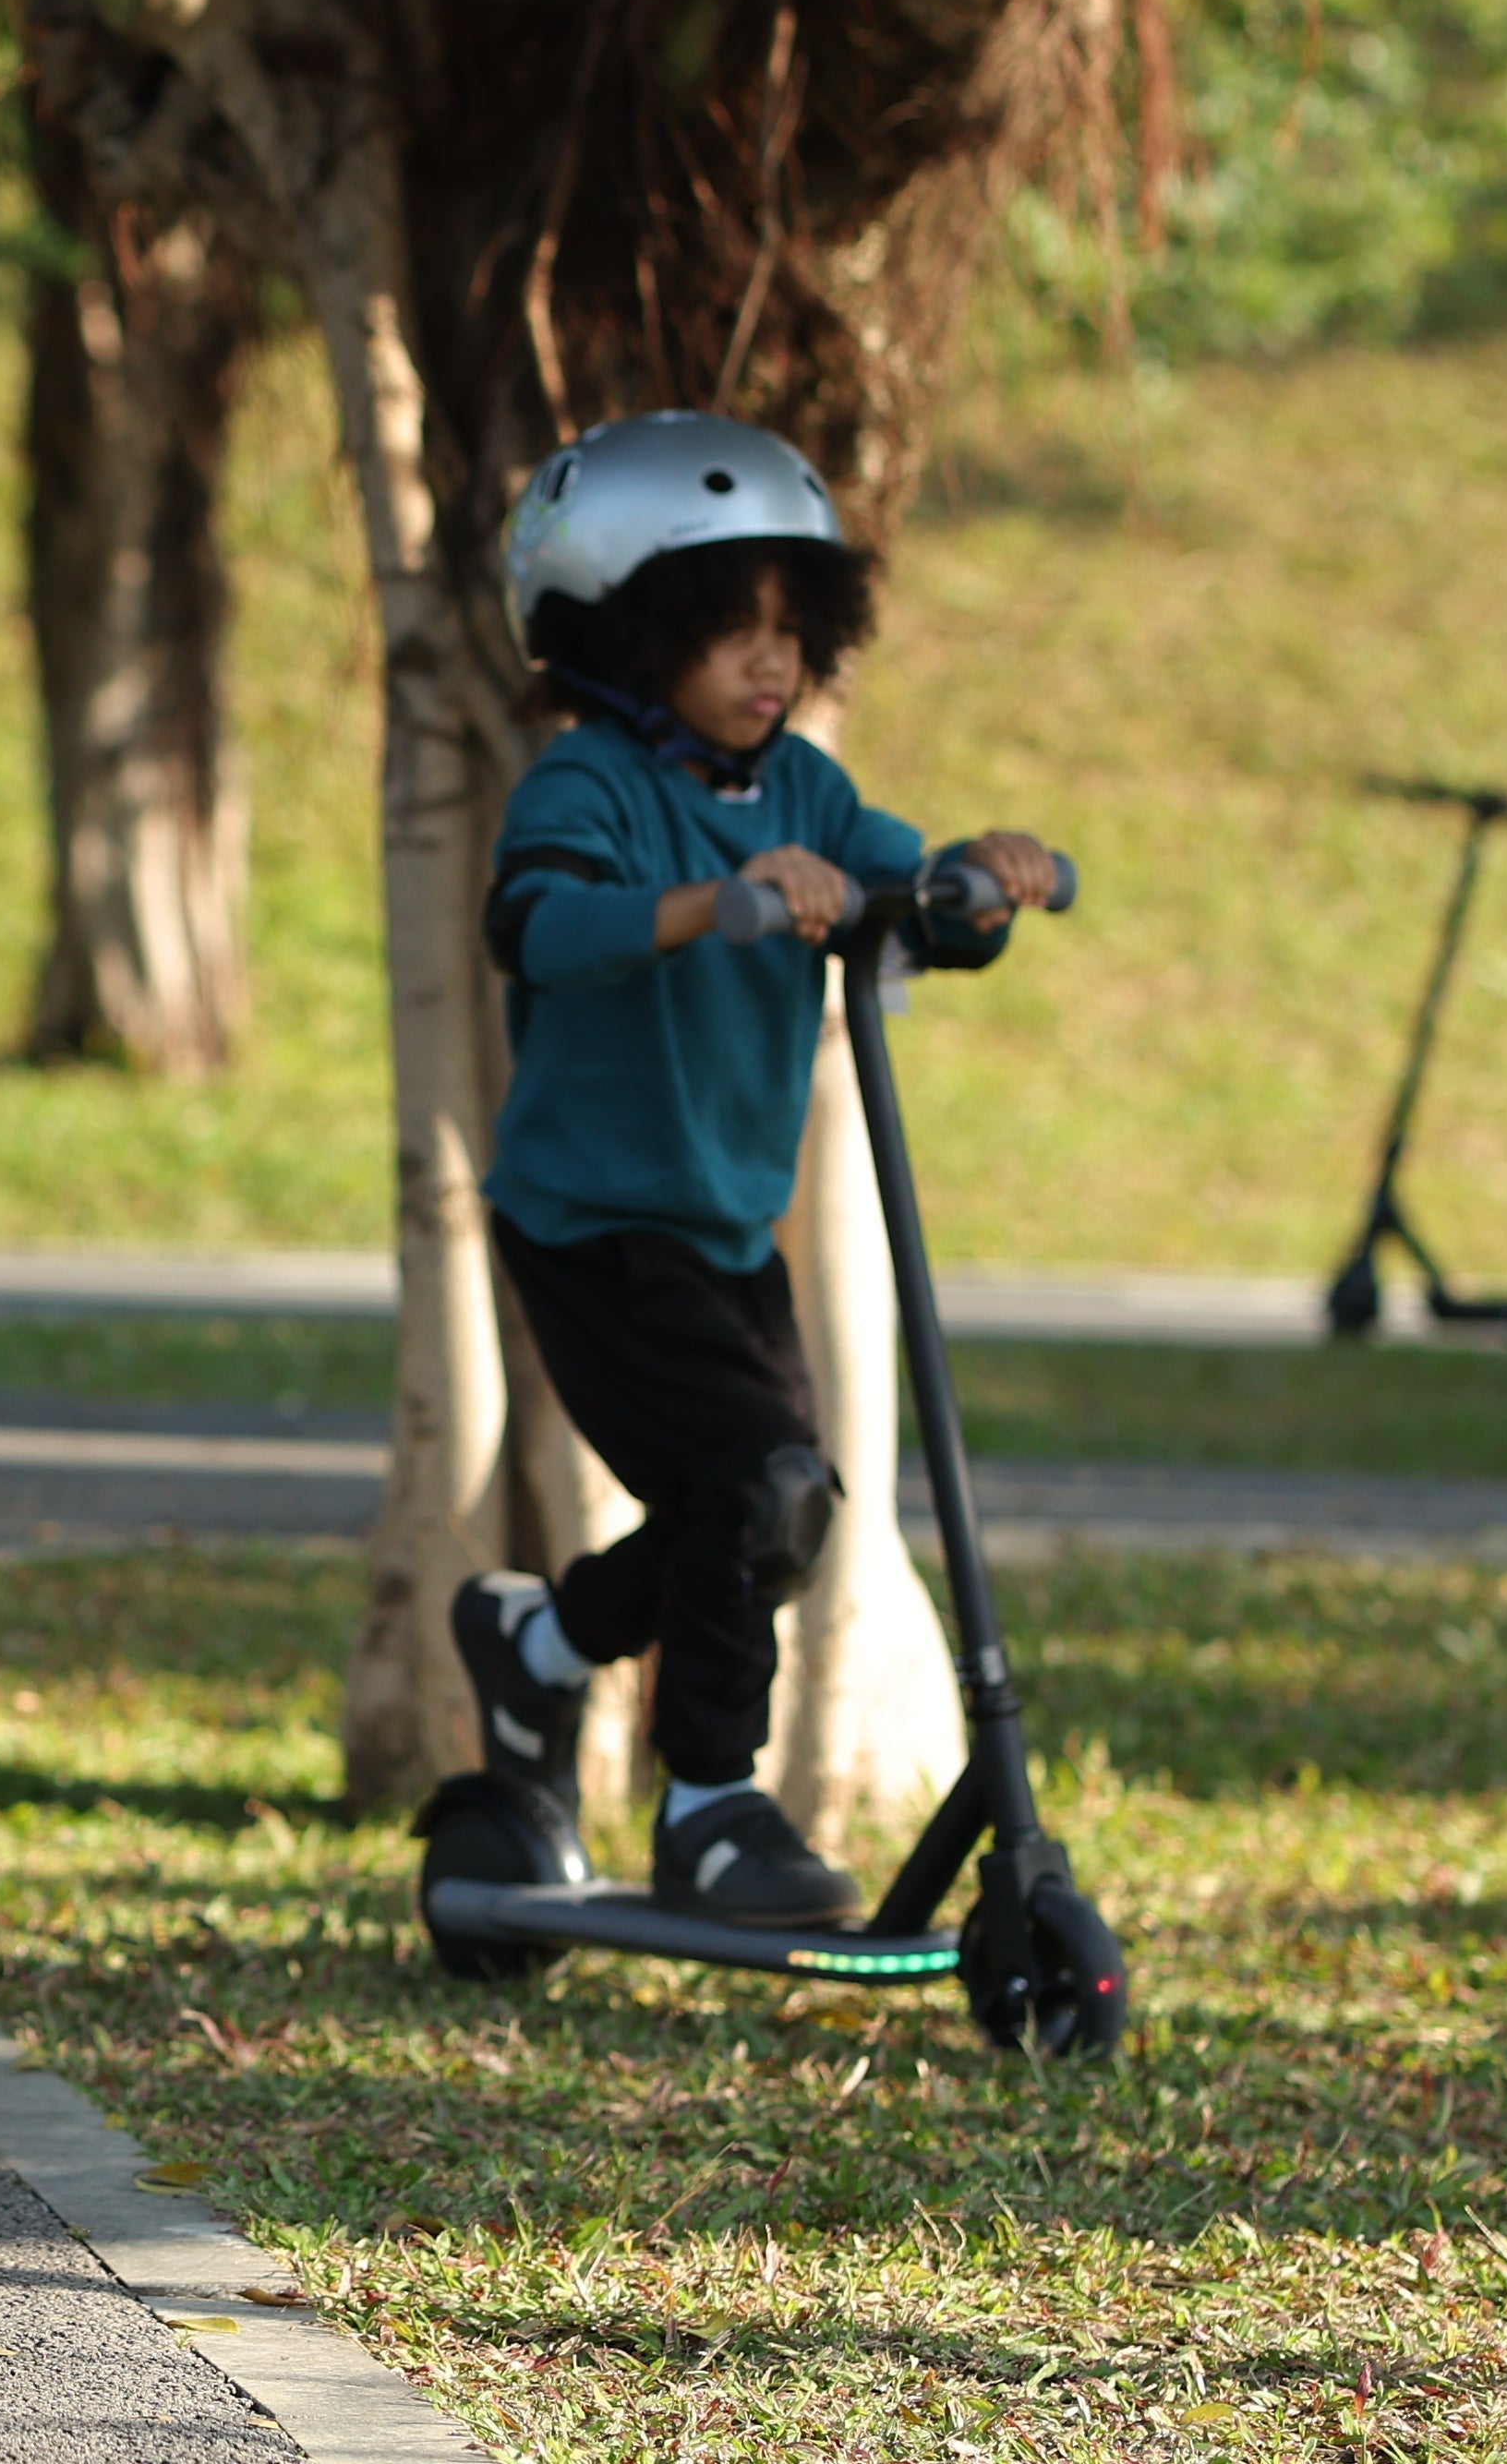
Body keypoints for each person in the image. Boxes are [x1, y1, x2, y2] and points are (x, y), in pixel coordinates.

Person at [451, 412, 1057, 1929]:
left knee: (774, 1507)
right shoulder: (584, 787)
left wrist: (981, 886)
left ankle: (540, 1647)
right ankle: (714, 1806)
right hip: (589, 1225)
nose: (766, 664)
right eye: (725, 631)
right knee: (758, 1482)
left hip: (726, 1225)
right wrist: (707, 906)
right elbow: (534, 929)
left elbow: (906, 895)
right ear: (621, 631)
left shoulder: (802, 792)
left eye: (791, 630)